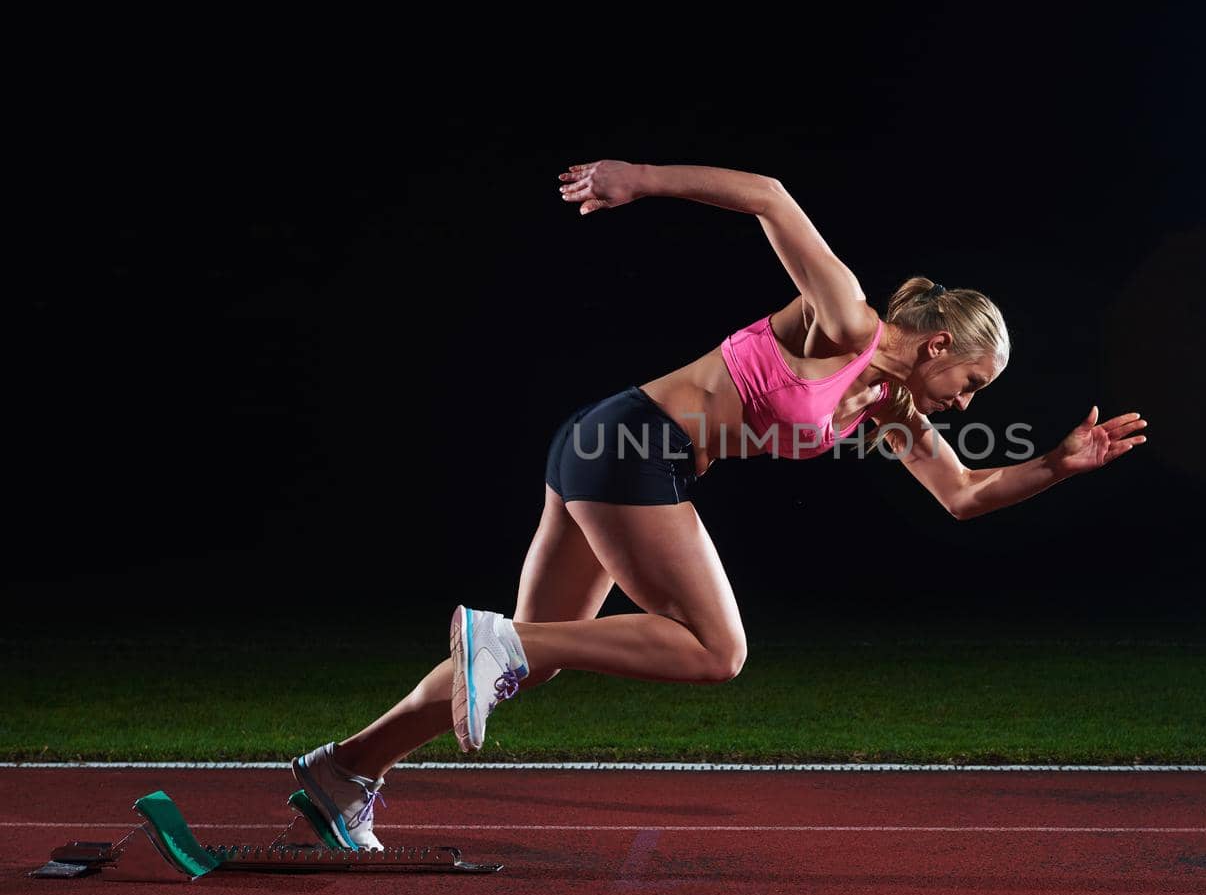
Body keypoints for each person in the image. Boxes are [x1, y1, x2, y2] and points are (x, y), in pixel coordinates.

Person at [289, 160, 1149, 849]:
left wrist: (1061, 467)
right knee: (714, 649)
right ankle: (498, 640)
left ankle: (345, 769)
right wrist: (639, 176)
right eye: (972, 382)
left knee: (540, 660)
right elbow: (770, 198)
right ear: (936, 344)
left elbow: (964, 495)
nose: (967, 404)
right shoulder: (844, 325)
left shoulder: (891, 407)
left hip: (605, 450)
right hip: (635, 446)